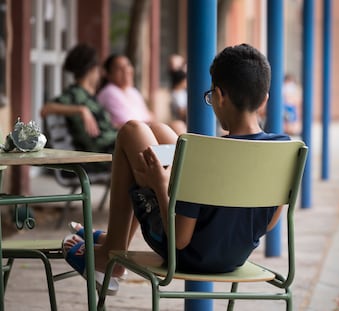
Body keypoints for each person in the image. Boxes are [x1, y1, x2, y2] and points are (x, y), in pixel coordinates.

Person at [61, 44, 290, 291]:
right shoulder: (283, 149)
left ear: (220, 96)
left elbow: (179, 240)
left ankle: (110, 253)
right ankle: (112, 241)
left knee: (131, 131)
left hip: (188, 255)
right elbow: (267, 224)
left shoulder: (206, 155)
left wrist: (162, 186)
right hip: (234, 256)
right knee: (159, 130)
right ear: (264, 99)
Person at [41, 43, 117, 172]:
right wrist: (82, 110)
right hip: (102, 155)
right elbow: (45, 109)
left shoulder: (88, 96)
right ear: (92, 69)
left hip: (111, 148)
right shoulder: (75, 95)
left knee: (151, 139)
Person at [97, 54, 152, 128]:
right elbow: (130, 124)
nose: (126, 70)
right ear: (109, 74)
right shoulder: (109, 92)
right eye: (119, 68)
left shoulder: (132, 91)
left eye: (127, 65)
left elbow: (147, 118)